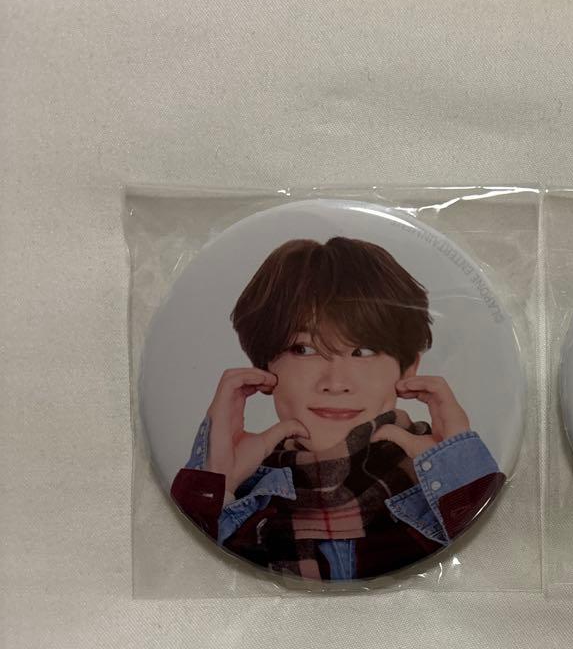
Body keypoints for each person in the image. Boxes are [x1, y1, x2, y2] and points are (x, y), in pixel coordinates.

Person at [170, 236, 504, 581]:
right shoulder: (234, 496)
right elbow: (184, 582)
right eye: (304, 349)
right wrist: (215, 481)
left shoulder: (450, 484)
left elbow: (506, 571)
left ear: (408, 368)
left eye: (363, 352)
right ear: (264, 367)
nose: (335, 382)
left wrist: (459, 474)